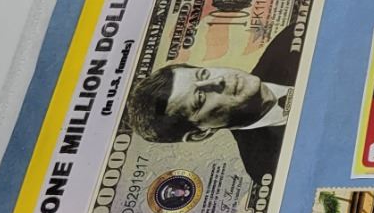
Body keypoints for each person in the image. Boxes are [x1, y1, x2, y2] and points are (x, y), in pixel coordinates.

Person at [125, 37, 297, 182]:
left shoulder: (288, 43)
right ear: (201, 134)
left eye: (204, 74)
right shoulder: (266, 167)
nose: (219, 81)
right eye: (200, 97)